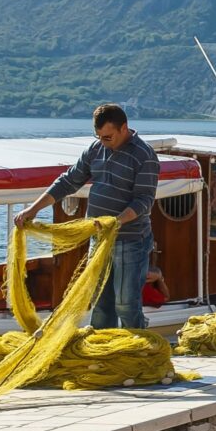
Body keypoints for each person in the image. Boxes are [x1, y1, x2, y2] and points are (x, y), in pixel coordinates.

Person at [14, 104, 161, 330]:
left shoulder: (144, 155)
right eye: (99, 136)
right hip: (99, 238)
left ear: (124, 128)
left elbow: (144, 200)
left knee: (126, 304)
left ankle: (139, 351)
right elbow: (68, 181)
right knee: (101, 302)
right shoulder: (95, 149)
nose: (103, 142)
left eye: (108, 137)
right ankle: (102, 352)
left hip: (130, 240)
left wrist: (115, 221)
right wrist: (32, 210)